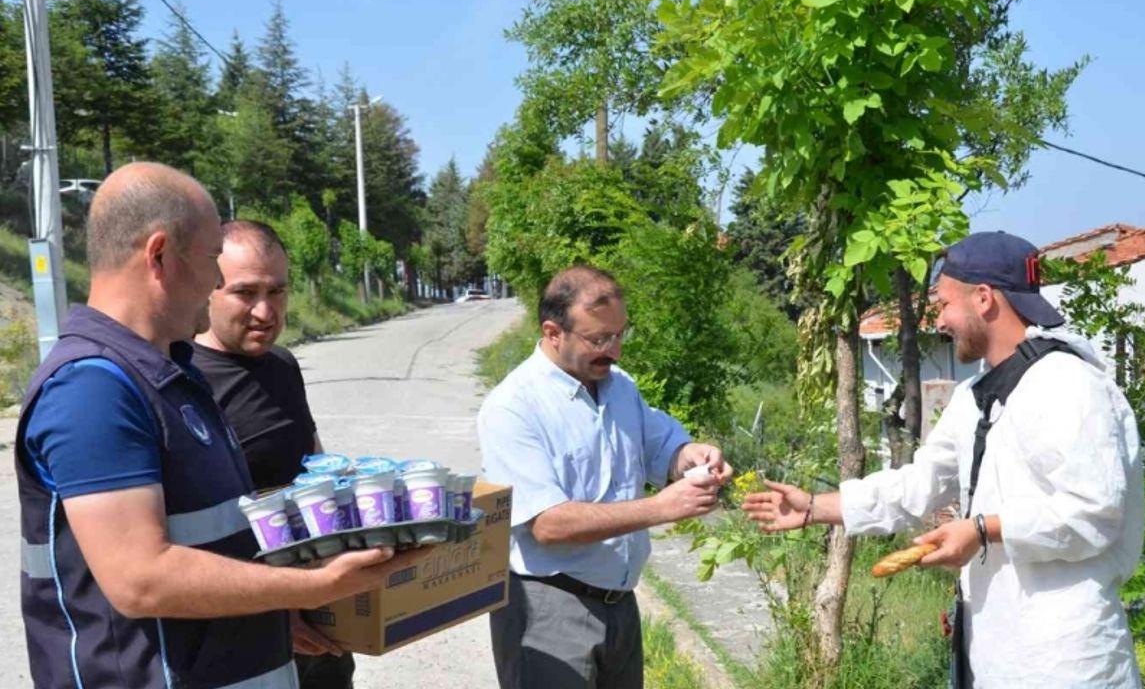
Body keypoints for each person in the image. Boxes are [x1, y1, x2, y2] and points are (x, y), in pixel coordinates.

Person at [15, 162, 426, 688]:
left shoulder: (172, 373)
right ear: (159, 255)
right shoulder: (92, 389)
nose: (215, 279)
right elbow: (140, 579)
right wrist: (311, 588)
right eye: (213, 259)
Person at [743, 231, 1145, 688]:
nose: (941, 319)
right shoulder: (977, 396)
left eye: (946, 303)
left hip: (1065, 663)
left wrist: (980, 530)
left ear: (984, 298)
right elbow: (921, 483)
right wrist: (816, 507)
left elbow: (1094, 513)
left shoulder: (1068, 386)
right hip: (994, 657)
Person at [479, 265, 734, 689]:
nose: (614, 351)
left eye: (619, 335)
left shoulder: (619, 387)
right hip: (547, 611)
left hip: (619, 607)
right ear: (552, 332)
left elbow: (657, 446)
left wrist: (688, 456)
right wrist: (659, 508)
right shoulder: (513, 407)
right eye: (598, 339)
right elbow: (548, 524)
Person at [191, 219, 356, 688]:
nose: (266, 311)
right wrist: (272, 612)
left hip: (318, 622)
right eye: (246, 293)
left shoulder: (282, 365)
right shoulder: (181, 382)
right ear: (208, 288)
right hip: (241, 629)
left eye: (278, 292)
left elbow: (313, 464)